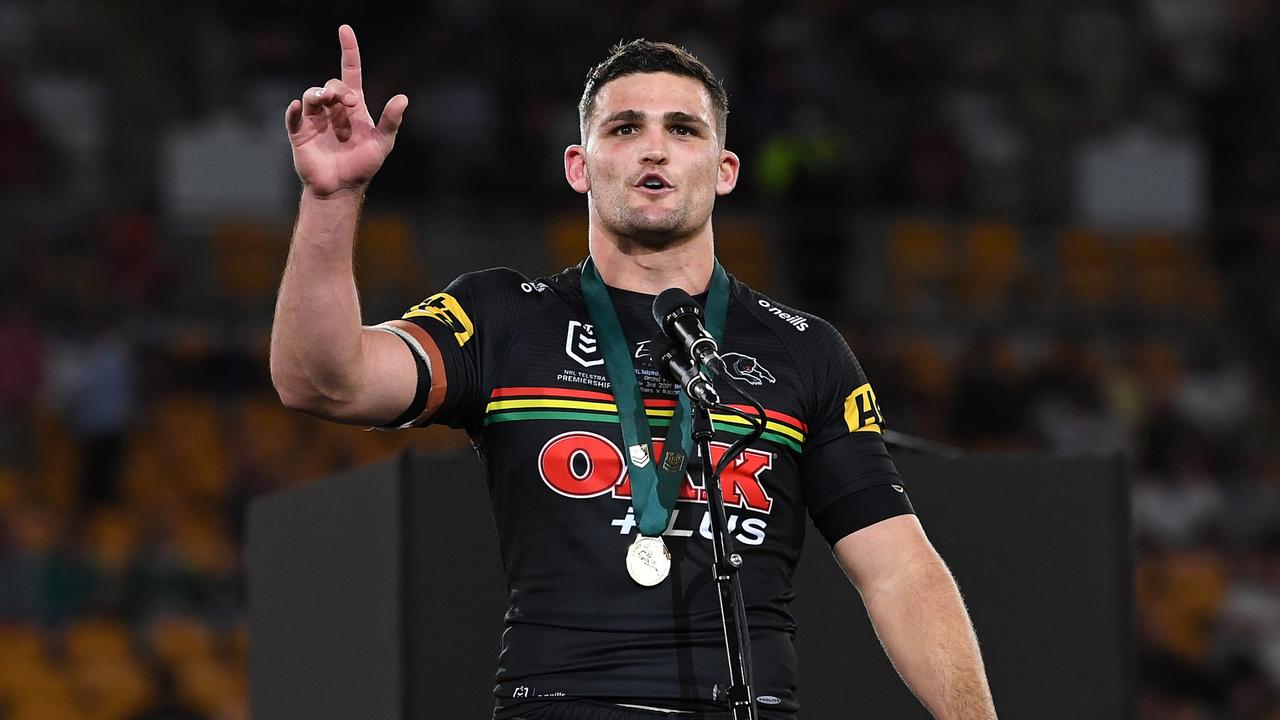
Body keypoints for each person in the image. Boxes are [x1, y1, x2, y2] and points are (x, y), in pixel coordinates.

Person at [271, 24, 998, 720]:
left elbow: (899, 570)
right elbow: (324, 381)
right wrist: (330, 202)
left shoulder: (805, 350)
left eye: (683, 129)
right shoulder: (503, 318)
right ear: (578, 167)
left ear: (724, 169)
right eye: (624, 128)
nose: (655, 147)